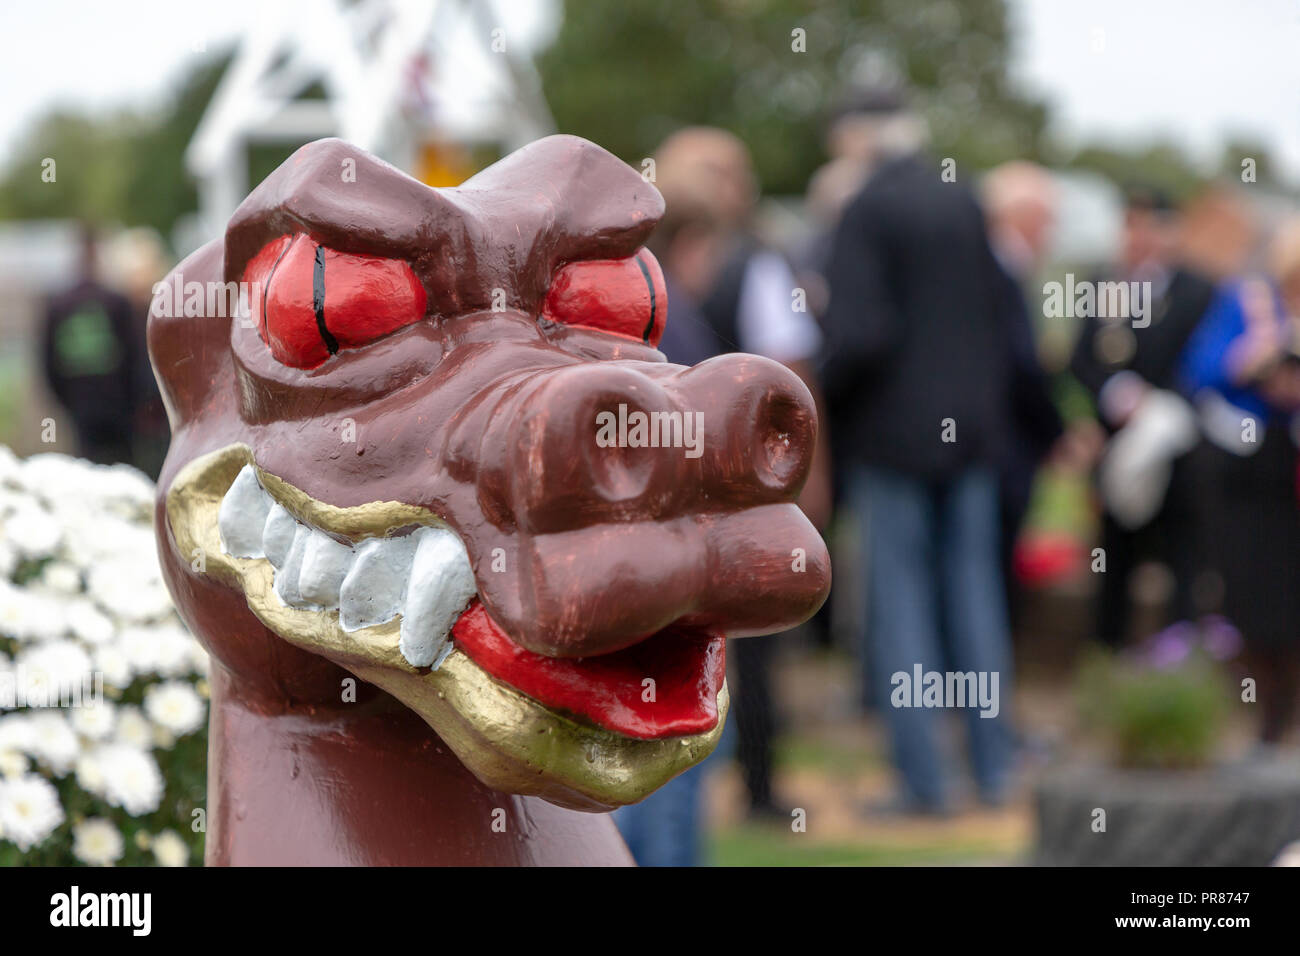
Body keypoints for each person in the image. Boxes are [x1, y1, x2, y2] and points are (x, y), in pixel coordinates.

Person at [820, 89, 1015, 813]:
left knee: (900, 606)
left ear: (859, 137)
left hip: (893, 439)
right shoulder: (962, 198)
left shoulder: (868, 208)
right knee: (976, 599)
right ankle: (993, 771)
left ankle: (924, 781)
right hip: (972, 434)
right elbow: (1000, 316)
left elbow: (861, 333)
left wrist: (822, 394)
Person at [1069, 188, 1217, 647]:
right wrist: (1112, 393)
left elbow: (1205, 364)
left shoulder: (1199, 290)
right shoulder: (1105, 284)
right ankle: (1106, 655)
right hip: (1119, 447)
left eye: (1147, 225)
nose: (1137, 237)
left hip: (1177, 449)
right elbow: (1081, 358)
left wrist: (1161, 401)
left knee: (1181, 555)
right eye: (1129, 225)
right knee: (1113, 556)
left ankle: (1178, 658)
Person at [1179, 218, 1300, 748]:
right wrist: (1252, 360)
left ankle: (1283, 716)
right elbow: (1199, 372)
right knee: (1249, 595)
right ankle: (1263, 719)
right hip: (1243, 469)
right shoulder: (1245, 304)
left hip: (1291, 475)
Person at [980, 162, 1066, 620]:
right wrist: (1057, 432)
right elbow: (1022, 368)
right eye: (1047, 219)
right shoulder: (1001, 272)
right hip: (1002, 448)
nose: (1051, 233)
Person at [41, 224, 140, 465]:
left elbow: (48, 365)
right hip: (115, 408)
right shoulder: (117, 302)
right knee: (123, 474)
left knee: (88, 472)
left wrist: (69, 402)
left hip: (81, 408)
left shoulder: (59, 306)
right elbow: (137, 359)